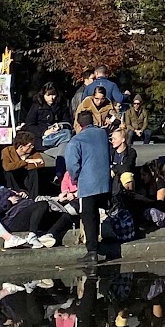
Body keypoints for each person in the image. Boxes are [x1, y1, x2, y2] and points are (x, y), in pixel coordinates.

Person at [0, 175, 71, 249]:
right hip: (13, 219)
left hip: (27, 211)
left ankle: (48, 236)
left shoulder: (2, 190)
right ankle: (32, 236)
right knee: (42, 204)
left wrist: (21, 194)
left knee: (65, 216)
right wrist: (9, 202)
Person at [65, 110, 112, 261]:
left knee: (88, 216)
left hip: (88, 183)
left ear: (78, 124)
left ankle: (92, 251)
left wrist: (75, 178)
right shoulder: (102, 134)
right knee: (98, 213)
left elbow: (72, 164)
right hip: (104, 181)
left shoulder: (76, 140)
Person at [1, 130, 50, 199]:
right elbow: (7, 167)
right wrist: (26, 162)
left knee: (34, 171)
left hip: (27, 176)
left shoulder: (33, 152)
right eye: (30, 145)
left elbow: (40, 163)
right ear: (21, 147)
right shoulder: (7, 151)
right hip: (14, 178)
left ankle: (33, 197)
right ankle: (16, 194)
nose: (32, 147)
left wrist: (20, 164)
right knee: (9, 173)